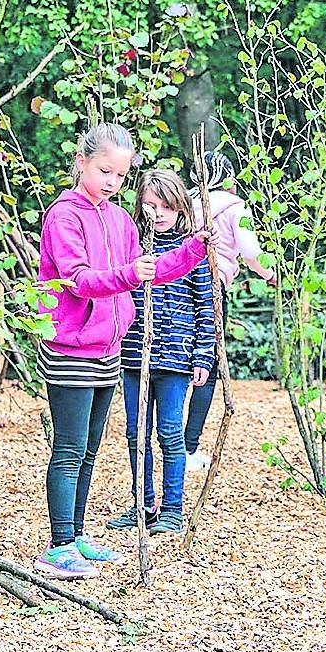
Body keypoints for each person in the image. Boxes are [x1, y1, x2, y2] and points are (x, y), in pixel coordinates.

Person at [34, 125, 209, 580]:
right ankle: (58, 546)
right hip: (70, 347)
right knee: (70, 447)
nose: (112, 181)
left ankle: (75, 535)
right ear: (82, 162)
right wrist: (130, 274)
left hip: (108, 347)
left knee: (91, 448)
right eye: (104, 171)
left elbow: (147, 272)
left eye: (120, 175)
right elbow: (80, 278)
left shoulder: (120, 220)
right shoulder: (64, 217)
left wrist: (194, 251)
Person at [104, 170, 216, 536]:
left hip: (176, 358)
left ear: (180, 206)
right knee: (137, 433)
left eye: (167, 206)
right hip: (135, 355)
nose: (160, 213)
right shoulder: (131, 246)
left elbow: (206, 306)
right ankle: (143, 504)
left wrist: (203, 355)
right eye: (152, 205)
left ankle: (172, 508)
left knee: (170, 432)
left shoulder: (193, 250)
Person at [183, 150, 277, 471]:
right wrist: (271, 274)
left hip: (177, 285)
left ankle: (168, 444)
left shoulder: (184, 202)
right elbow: (251, 251)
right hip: (210, 286)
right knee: (205, 366)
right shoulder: (237, 207)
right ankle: (188, 448)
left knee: (177, 363)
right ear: (228, 177)